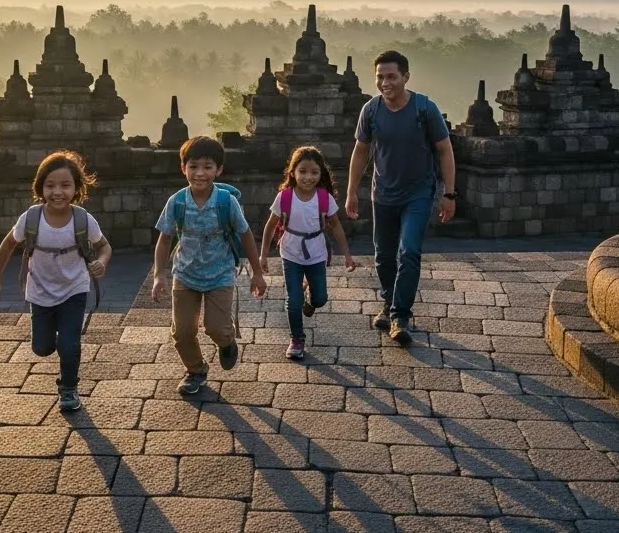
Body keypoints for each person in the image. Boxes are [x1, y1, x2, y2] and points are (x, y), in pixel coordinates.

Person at [345, 50, 457, 346]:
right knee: (383, 255)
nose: (385, 83)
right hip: (383, 193)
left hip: (419, 193)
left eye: (391, 76)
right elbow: (360, 151)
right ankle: (388, 301)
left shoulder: (424, 109)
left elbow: (445, 150)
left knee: (408, 252)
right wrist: (351, 191)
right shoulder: (371, 110)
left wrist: (449, 193)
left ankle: (400, 314)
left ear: (406, 77)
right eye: (380, 77)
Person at [0, 150, 110, 412]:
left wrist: (101, 262)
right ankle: (56, 336)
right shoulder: (31, 218)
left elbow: (104, 246)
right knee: (42, 347)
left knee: (69, 343)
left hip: (74, 289)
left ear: (76, 188)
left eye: (65, 185)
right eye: (50, 185)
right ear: (40, 187)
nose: (57, 192)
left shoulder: (82, 219)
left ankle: (68, 389)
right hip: (40, 291)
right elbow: (8, 245)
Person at [152, 136, 268, 395]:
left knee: (216, 327)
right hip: (185, 273)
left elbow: (245, 234)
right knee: (181, 332)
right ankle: (195, 370)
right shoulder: (177, 202)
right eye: (193, 166)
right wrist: (159, 274)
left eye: (207, 167)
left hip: (219, 274)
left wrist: (257, 273)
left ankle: (227, 343)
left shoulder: (226, 202)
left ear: (219, 170)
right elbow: (164, 239)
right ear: (183, 168)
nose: (200, 173)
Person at [259, 145, 355, 361]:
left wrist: (346, 254)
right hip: (291, 251)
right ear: (293, 172)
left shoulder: (324, 198)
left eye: (314, 172)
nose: (308, 177)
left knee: (320, 297)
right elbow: (270, 225)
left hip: (317, 251)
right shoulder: (284, 197)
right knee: (292, 301)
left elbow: (336, 226)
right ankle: (297, 339)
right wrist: (263, 255)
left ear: (321, 174)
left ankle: (309, 302)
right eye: (302, 171)